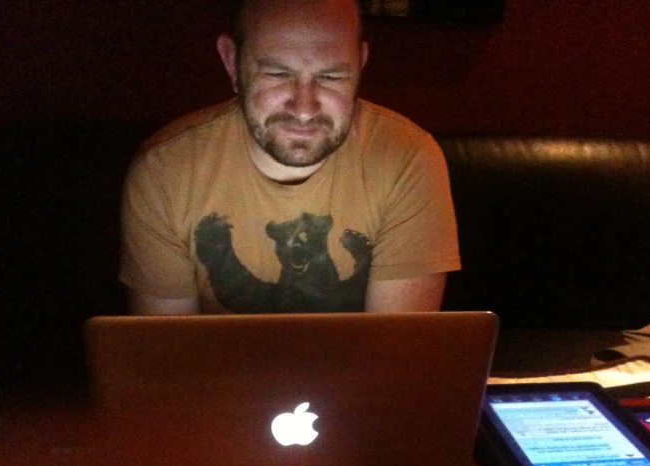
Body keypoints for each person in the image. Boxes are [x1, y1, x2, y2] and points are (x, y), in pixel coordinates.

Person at [119, 0, 460, 315]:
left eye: (331, 76)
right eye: (277, 73)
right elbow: (169, 360)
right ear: (231, 62)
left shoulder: (408, 159)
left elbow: (397, 355)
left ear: (361, 65)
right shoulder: (164, 171)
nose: (304, 108)